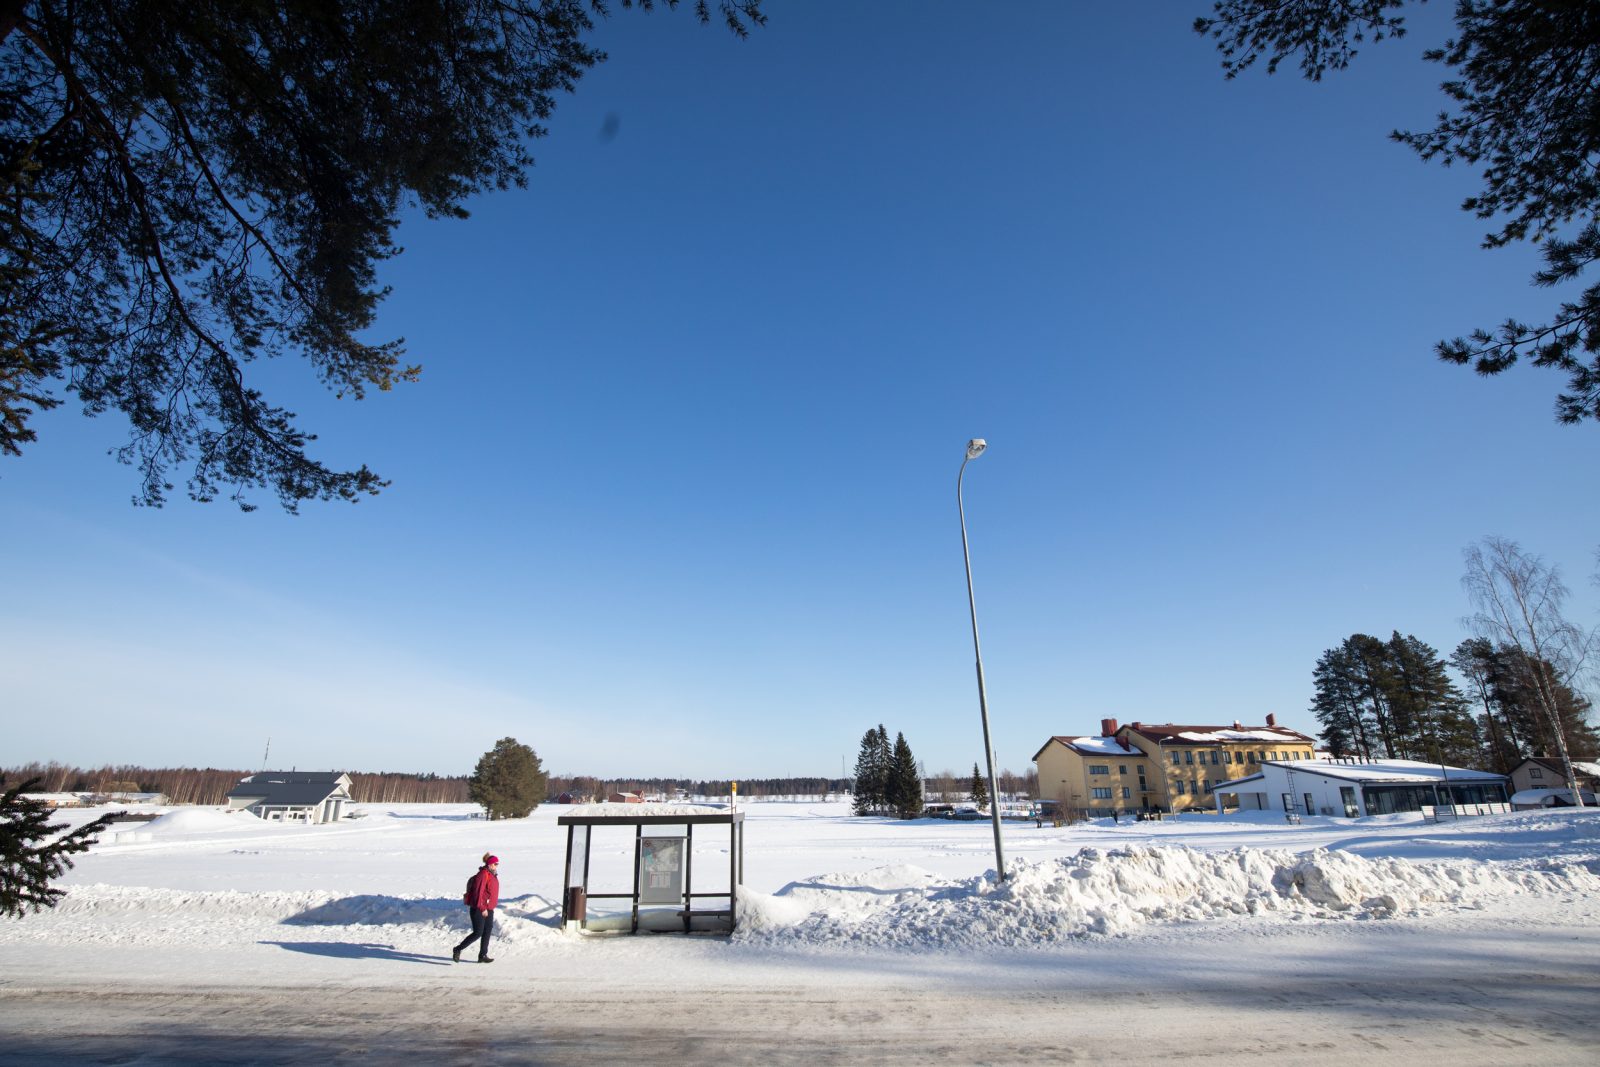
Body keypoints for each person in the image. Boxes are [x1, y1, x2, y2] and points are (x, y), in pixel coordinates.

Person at [452, 853, 500, 963]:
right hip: (479, 908)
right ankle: (457, 949)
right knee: (478, 932)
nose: (496, 866)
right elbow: (478, 893)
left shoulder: (492, 874)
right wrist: (482, 908)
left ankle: (482, 955)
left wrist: (489, 907)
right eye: (495, 864)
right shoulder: (483, 874)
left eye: (497, 864)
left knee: (487, 931)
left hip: (489, 908)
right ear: (489, 864)